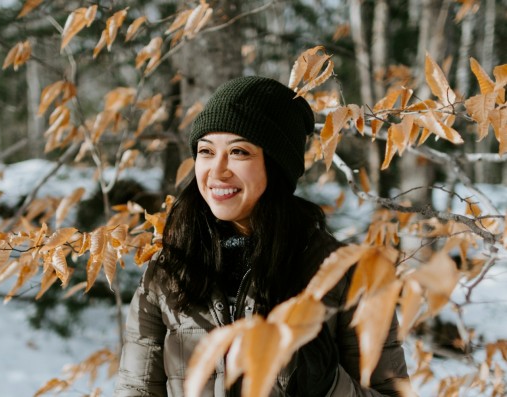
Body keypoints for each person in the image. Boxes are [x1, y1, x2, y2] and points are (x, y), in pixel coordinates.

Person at [114, 76, 409, 396]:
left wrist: (329, 385)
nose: (217, 170)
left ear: (277, 166)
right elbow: (136, 390)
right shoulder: (168, 271)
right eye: (206, 151)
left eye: (239, 152)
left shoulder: (349, 275)